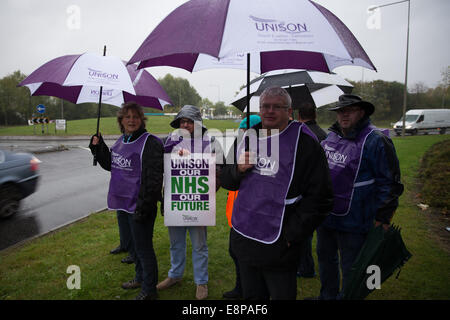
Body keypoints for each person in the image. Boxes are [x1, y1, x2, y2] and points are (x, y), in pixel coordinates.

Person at [221, 87, 333, 300]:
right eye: (265, 106)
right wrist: (237, 169)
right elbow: (226, 179)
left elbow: (321, 198)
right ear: (259, 109)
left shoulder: (306, 143)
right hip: (244, 237)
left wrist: (292, 235)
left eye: (277, 107)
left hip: (280, 243)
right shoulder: (247, 137)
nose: (270, 111)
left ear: (289, 111)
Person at [316, 94, 404, 300]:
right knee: (325, 259)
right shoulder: (330, 137)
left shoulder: (377, 140)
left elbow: (390, 183)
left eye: (350, 110)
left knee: (352, 267)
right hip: (326, 216)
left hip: (355, 220)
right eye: (340, 111)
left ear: (362, 112)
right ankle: (327, 296)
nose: (343, 115)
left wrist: (383, 218)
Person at [89, 102, 163, 300]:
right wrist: (98, 147)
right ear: (121, 120)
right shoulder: (122, 140)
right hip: (122, 204)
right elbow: (112, 165)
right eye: (127, 117)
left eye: (135, 116)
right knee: (132, 246)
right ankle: (139, 278)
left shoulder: (151, 143)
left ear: (142, 120)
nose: (131, 120)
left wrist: (144, 206)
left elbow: (155, 179)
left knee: (144, 249)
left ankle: (149, 290)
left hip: (140, 206)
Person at [157, 105, 223, 300]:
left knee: (199, 244)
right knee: (175, 242)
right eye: (182, 121)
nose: (185, 125)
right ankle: (175, 275)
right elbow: (160, 163)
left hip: (199, 202)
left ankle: (201, 282)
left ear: (197, 122)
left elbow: (218, 170)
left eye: (189, 121)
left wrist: (210, 189)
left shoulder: (210, 141)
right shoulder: (172, 139)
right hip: (176, 201)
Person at [222, 114, 261, 299]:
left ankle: (246, 289)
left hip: (250, 213)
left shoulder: (261, 149)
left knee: (245, 256)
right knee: (234, 251)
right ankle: (240, 287)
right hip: (235, 211)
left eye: (247, 129)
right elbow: (227, 171)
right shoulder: (239, 145)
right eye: (242, 129)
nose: (243, 132)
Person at [296, 102, 328, 278]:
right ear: (315, 115)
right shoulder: (323, 133)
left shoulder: (302, 135)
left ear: (299, 116)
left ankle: (306, 268)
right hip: (322, 188)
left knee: (304, 234)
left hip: (305, 189)